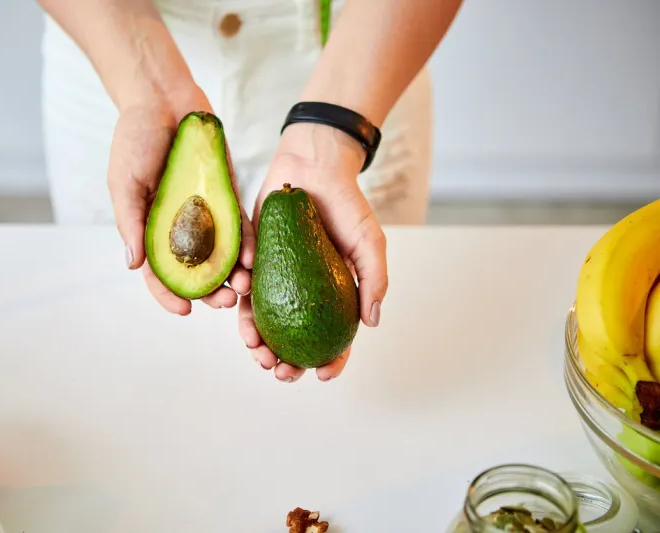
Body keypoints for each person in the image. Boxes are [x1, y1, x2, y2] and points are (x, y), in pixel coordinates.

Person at [36, 0, 463, 382]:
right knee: (117, 355)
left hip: (366, 57)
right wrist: (150, 92)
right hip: (116, 47)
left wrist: (333, 133)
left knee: (390, 372)